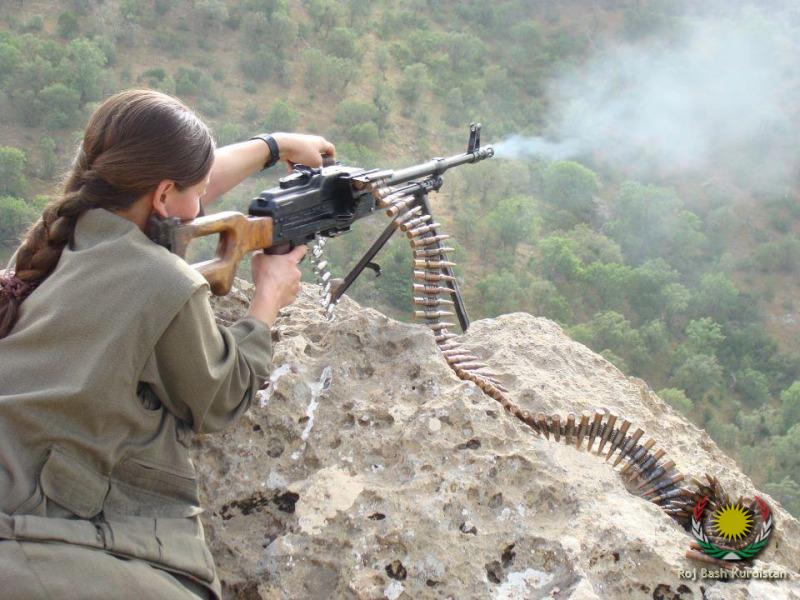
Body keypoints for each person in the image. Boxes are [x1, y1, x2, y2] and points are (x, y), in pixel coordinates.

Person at [0, 89, 335, 599]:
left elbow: (182, 188)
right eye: (198, 192)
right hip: (44, 528)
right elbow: (221, 396)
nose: (204, 204)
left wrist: (276, 144)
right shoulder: (164, 281)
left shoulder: (67, 234)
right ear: (161, 196)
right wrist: (267, 299)